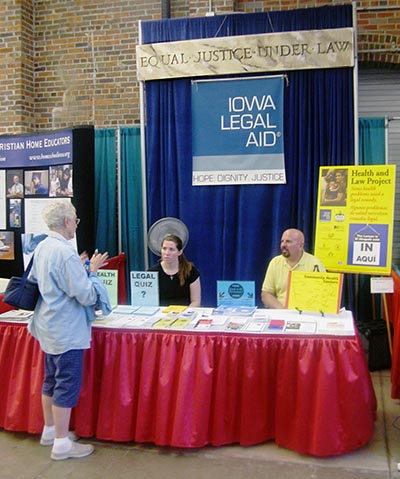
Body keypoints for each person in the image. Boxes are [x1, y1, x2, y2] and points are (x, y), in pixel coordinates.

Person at [28, 200, 110, 461]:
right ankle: (62, 444)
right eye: (75, 219)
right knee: (67, 383)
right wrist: (92, 274)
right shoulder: (65, 253)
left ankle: (50, 431)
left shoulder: (42, 247)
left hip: (48, 326)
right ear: (66, 222)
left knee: (50, 379)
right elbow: (85, 295)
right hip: (67, 329)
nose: (76, 224)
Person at [261, 228, 325, 309]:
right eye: (282, 241)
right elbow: (266, 294)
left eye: (288, 241)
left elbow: (322, 296)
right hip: (281, 312)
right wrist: (283, 311)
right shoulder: (275, 262)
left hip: (306, 314)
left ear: (300, 246)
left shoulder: (315, 264)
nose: (283, 245)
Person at [148, 234, 201, 306]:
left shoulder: (191, 271)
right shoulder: (152, 272)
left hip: (184, 314)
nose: (167, 253)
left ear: (180, 252)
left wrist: (184, 315)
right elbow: (148, 302)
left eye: (171, 249)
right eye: (164, 248)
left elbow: (196, 301)